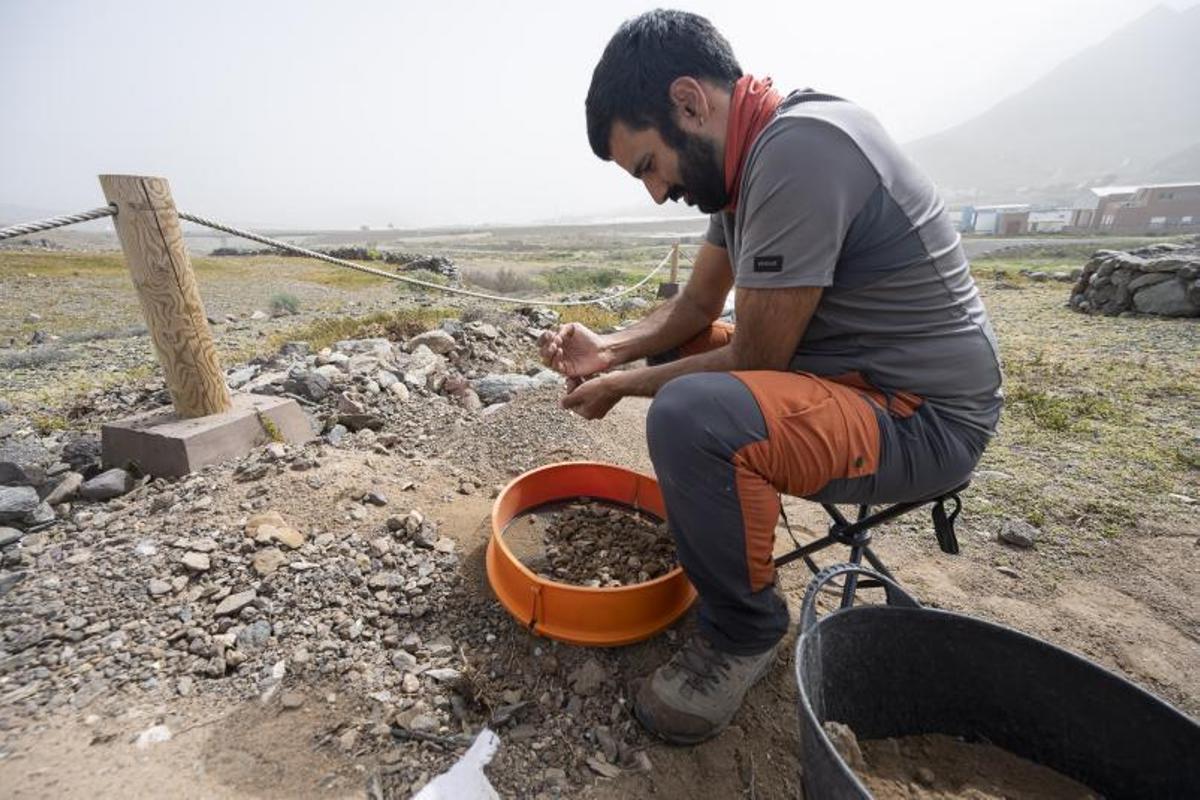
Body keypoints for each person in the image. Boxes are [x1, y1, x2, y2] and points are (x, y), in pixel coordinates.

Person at [537, 9, 1002, 745]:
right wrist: (611, 350)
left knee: (690, 415)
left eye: (649, 166)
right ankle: (733, 555)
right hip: (846, 377)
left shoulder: (801, 150)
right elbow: (694, 306)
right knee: (681, 351)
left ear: (690, 103)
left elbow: (755, 359)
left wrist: (622, 389)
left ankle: (743, 631)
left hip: (923, 416)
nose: (656, 193)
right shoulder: (745, 164)